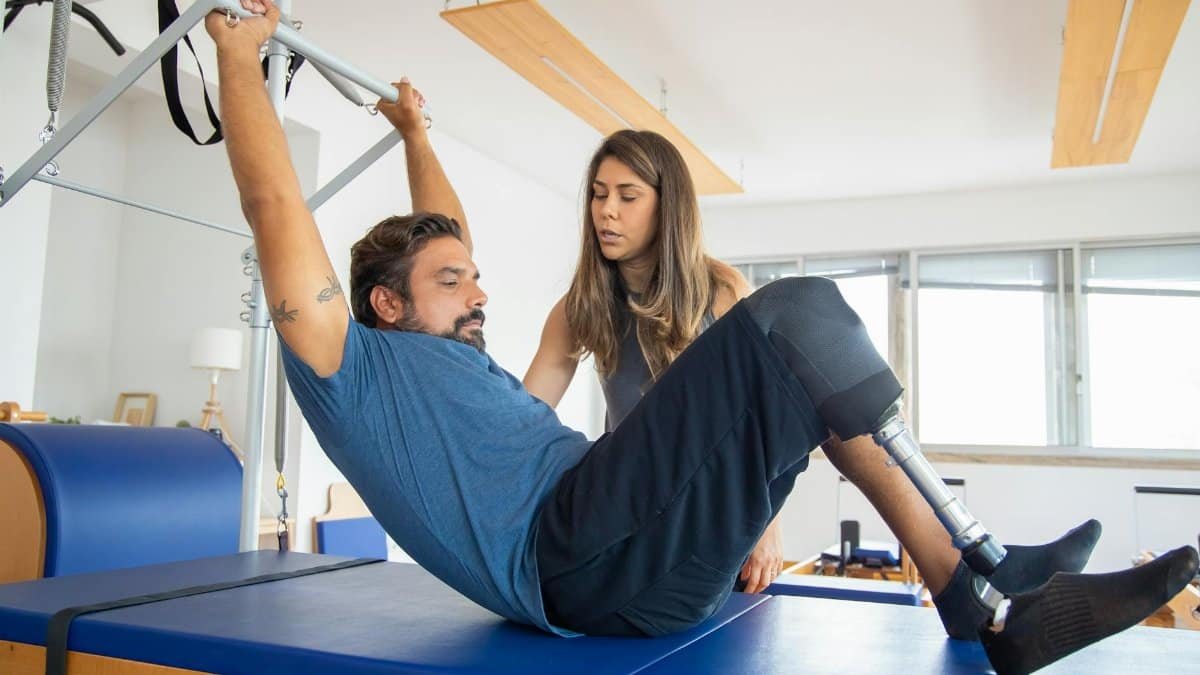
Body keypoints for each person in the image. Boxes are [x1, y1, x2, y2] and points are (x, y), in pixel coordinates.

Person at [206, 4, 1198, 674]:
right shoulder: (354, 367)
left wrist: (415, 131)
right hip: (572, 555)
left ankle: (978, 593)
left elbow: (443, 233)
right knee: (794, 314)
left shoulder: (454, 356)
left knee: (800, 352)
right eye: (452, 282)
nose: (479, 291)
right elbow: (269, 200)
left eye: (472, 273)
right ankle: (983, 564)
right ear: (383, 306)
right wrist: (239, 56)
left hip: (641, 567)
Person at [518, 128, 786, 594]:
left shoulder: (721, 292)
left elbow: (764, 419)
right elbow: (524, 413)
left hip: (717, 509)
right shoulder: (579, 306)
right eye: (599, 195)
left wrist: (768, 525)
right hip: (630, 508)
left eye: (628, 196)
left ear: (667, 206)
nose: (606, 210)